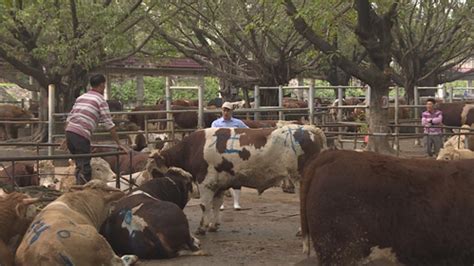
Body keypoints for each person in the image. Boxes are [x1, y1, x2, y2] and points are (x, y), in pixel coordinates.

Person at [64, 74, 130, 185]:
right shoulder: (100, 100)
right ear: (102, 85)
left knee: (79, 164)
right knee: (85, 168)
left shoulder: (81, 97)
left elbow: (69, 118)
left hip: (70, 132)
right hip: (81, 135)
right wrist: (119, 143)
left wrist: (66, 138)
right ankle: (83, 193)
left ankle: (77, 188)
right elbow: (109, 124)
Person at [211, 101, 248, 210]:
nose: (225, 112)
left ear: (232, 111)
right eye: (224, 110)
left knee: (235, 176)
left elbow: (248, 131)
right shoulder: (216, 123)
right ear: (221, 111)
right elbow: (212, 136)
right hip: (221, 152)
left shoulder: (238, 123)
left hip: (235, 152)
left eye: (228, 110)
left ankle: (236, 202)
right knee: (220, 177)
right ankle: (221, 202)